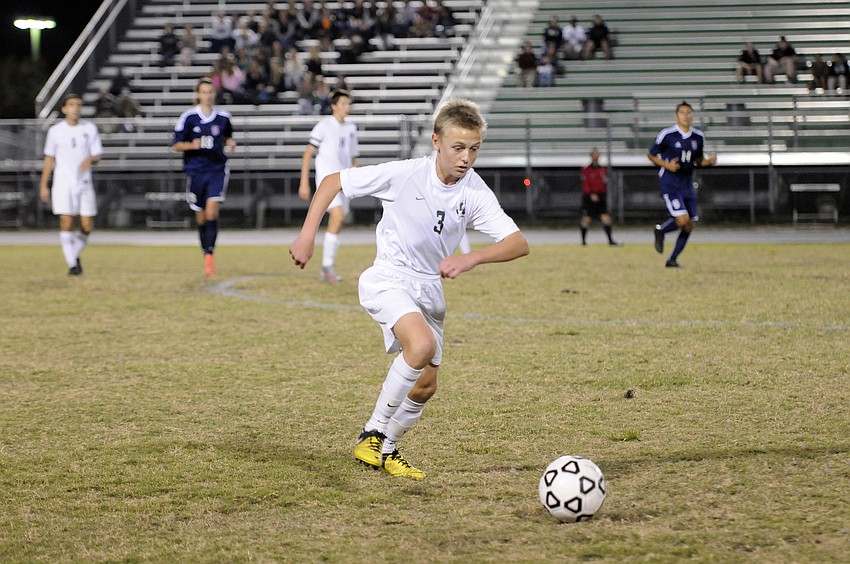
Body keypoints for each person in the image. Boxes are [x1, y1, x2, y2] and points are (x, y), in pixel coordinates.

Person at [289, 98, 530, 480]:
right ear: (436, 141)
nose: (466, 157)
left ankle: (386, 448)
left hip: (429, 288)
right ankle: (371, 432)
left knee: (425, 387)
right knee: (421, 346)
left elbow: (518, 242)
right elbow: (334, 181)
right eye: (458, 148)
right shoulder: (405, 174)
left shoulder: (475, 191)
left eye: (474, 149)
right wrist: (307, 236)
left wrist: (471, 259)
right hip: (389, 277)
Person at [173, 78, 236, 276]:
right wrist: (191, 145)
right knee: (200, 218)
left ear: (214, 94)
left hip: (217, 170)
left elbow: (227, 137)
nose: (207, 96)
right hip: (196, 172)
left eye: (210, 92)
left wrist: (230, 143)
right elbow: (176, 144)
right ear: (198, 94)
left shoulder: (224, 118)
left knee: (211, 213)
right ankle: (205, 250)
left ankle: (210, 255)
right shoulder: (188, 118)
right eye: (204, 92)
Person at [39, 93, 104, 276]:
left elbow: (97, 155)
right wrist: (43, 185)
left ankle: (73, 254)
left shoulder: (89, 128)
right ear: (64, 109)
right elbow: (49, 160)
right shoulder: (56, 131)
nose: (76, 108)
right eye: (72, 104)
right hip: (63, 183)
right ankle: (72, 264)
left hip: (83, 183)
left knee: (87, 226)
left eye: (78, 104)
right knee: (66, 222)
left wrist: (90, 159)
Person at [298, 90, 359, 282]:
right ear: (334, 106)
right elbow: (308, 154)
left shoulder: (351, 127)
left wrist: (355, 177)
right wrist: (304, 182)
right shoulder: (324, 126)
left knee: (339, 221)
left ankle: (326, 266)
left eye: (348, 104)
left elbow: (352, 157)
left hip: (344, 180)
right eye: (343, 104)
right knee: (338, 215)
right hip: (327, 181)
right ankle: (327, 266)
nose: (346, 107)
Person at [648, 101, 716, 268]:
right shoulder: (668, 135)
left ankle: (672, 259)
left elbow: (697, 160)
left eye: (688, 112)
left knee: (689, 225)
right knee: (682, 219)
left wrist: (708, 162)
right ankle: (661, 231)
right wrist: (667, 165)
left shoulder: (698, 137)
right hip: (670, 183)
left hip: (687, 183)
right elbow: (651, 155)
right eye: (682, 112)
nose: (686, 116)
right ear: (676, 116)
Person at [579, 148, 621, 246]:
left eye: (597, 154)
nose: (596, 156)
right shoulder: (586, 169)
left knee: (605, 217)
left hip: (601, 196)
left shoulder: (602, 169)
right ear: (591, 155)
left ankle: (610, 241)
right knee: (587, 218)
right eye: (594, 154)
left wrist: (603, 193)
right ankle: (583, 241)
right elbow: (585, 183)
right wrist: (591, 194)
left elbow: (604, 183)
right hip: (589, 197)